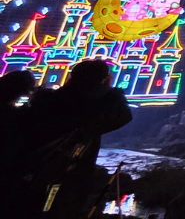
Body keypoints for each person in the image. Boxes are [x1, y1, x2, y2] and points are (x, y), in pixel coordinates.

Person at [20, 58, 132, 218]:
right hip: (72, 172)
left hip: (32, 169)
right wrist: (112, 92)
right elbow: (124, 116)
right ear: (102, 81)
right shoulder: (93, 109)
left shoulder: (47, 100)